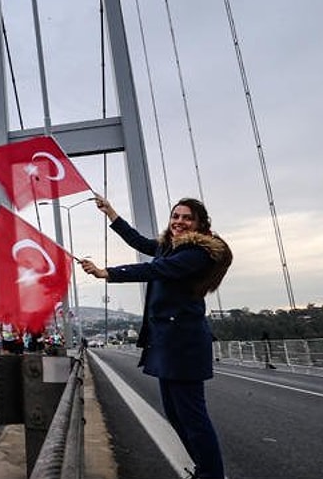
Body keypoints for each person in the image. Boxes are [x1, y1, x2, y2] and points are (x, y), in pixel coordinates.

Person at [81, 195, 232, 479]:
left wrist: (107, 273)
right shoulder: (169, 247)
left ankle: (211, 474)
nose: (179, 222)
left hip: (184, 344)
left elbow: (154, 269)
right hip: (167, 342)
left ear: (200, 224)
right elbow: (138, 241)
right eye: (176, 216)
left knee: (193, 417)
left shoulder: (196, 254)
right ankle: (204, 470)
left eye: (187, 218)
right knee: (175, 414)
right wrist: (110, 212)